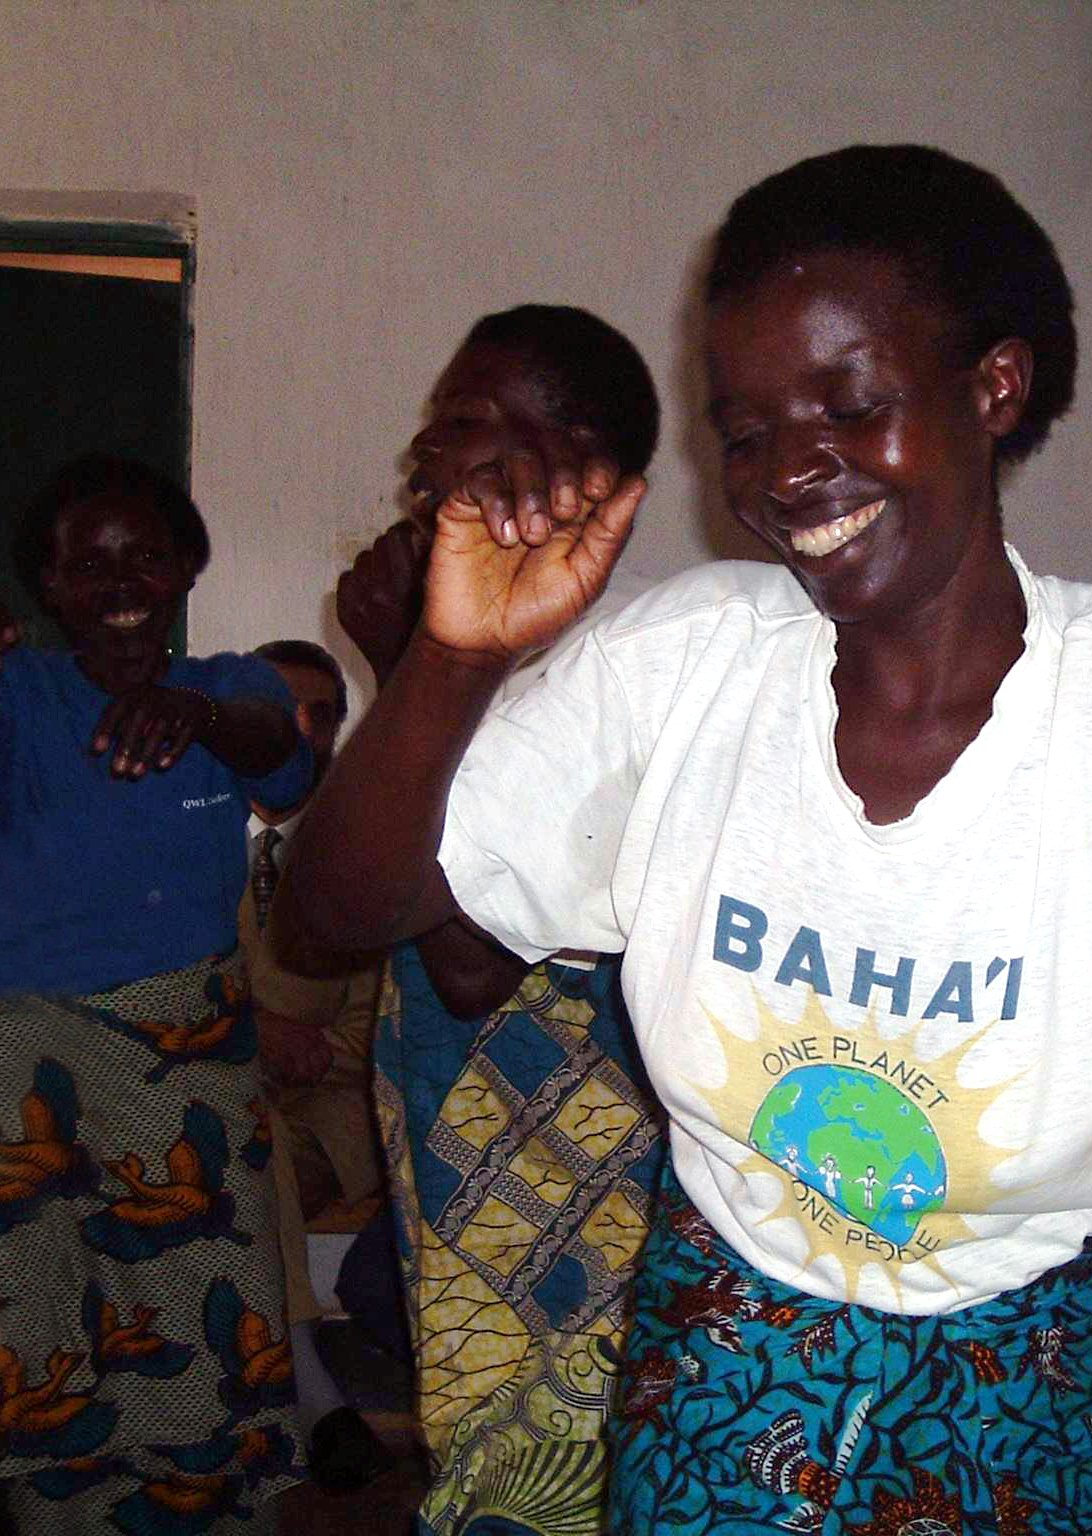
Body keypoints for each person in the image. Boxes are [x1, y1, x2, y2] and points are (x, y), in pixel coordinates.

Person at [278, 145, 1092, 1536]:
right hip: (727, 1368)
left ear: (995, 387)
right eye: (743, 430)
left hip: (1024, 1388)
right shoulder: (680, 672)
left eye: (850, 403)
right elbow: (336, 912)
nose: (790, 469)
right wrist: (449, 655)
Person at [336, 304, 668, 1534]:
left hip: (569, 1188)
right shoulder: (487, 653)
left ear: (576, 462)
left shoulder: (619, 676)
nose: (429, 455)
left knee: (547, 1484)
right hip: (473, 1161)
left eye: (468, 426)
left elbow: (472, 962)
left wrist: (403, 668)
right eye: (435, 426)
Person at [0, 456, 311, 1532]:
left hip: (184, 1059)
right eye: (88, 564)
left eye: (143, 555)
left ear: (187, 567)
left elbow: (286, 765)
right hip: (23, 1061)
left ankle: (208, 1503)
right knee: (39, 1302)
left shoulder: (235, 689)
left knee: (200, 1289)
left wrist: (191, 714)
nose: (119, 581)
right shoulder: (20, 696)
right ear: (48, 588)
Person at [237, 638, 392, 1493]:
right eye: (277, 706)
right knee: (230, 1135)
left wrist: (302, 1046)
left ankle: (301, 1389)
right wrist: (243, 1035)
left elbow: (387, 1023)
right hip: (210, 1084)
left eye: (322, 713)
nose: (301, 728)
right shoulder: (178, 832)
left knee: (245, 1147)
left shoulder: (369, 838)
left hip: (334, 1111)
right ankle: (311, 1391)